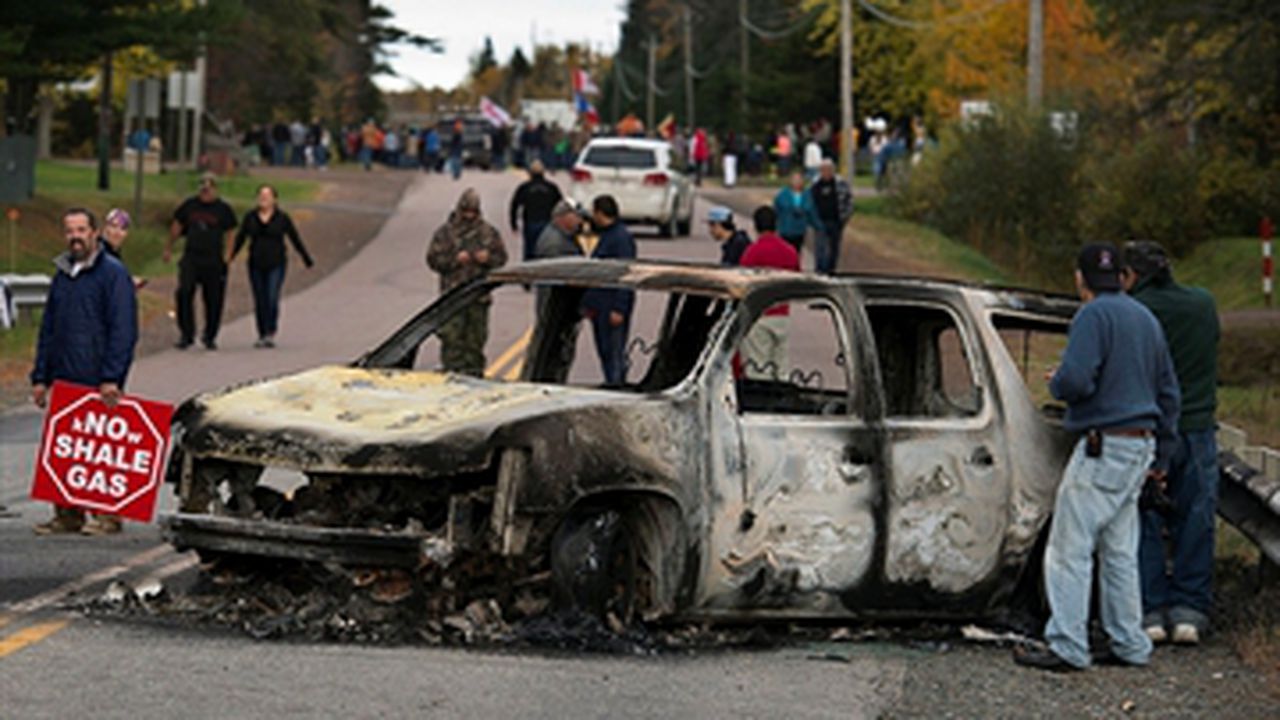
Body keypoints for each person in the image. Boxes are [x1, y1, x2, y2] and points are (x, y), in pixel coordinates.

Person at [1014, 243, 1180, 673]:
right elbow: (1168, 393)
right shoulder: (1145, 318)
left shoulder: (1091, 315)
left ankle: (1068, 644)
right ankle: (1129, 643)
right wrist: (1161, 457)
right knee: (1119, 550)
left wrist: (1057, 382)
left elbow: (1076, 381)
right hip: (1140, 446)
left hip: (1103, 445)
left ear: (1079, 278)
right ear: (1122, 276)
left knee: (1069, 549)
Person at [1121, 241, 1221, 646]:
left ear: (1131, 276)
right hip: (1198, 427)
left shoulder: (1134, 311)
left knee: (1144, 518)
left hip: (1148, 430)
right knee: (1196, 518)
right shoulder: (1203, 304)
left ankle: (1150, 611)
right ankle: (1190, 610)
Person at [31, 208, 138, 535]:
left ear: (95, 233)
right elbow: (49, 328)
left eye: (81, 230)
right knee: (66, 447)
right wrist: (40, 377)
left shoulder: (112, 274)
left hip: (97, 374)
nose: (75, 237)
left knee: (101, 448)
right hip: (64, 373)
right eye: (69, 231)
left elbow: (123, 329)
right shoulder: (63, 274)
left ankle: (108, 515)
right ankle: (67, 514)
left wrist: (112, 376)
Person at [426, 189, 508, 376]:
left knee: (475, 341)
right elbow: (433, 260)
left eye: (473, 211)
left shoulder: (488, 232)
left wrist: (487, 258)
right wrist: (455, 260)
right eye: (466, 211)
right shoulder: (445, 233)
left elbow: (501, 258)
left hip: (478, 298)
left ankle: (474, 375)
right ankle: (452, 372)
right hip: (453, 296)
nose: (469, 215)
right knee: (452, 340)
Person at [230, 185, 314, 348]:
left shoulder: (282, 218)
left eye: (267, 196)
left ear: (274, 199)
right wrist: (230, 256)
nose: (264, 199)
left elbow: (294, 238)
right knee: (260, 298)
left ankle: (271, 330)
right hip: (256, 263)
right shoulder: (250, 217)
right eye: (261, 195)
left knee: (271, 295)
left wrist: (305, 257)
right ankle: (262, 333)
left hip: (276, 263)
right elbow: (241, 238)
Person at [165, 172, 237, 350]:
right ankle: (186, 333)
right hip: (192, 257)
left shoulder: (223, 209)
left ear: (215, 189)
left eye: (209, 188)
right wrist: (168, 248)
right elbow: (177, 225)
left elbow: (231, 232)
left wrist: (228, 255)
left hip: (213, 260)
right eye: (203, 187)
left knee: (213, 299)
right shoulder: (190, 206)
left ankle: (210, 335)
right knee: (184, 292)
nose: (205, 191)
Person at [737, 206, 800, 380]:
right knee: (781, 368)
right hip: (782, 315)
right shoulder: (790, 251)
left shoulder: (752, 252)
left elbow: (743, 283)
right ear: (776, 224)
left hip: (759, 316)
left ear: (755, 226)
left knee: (758, 369)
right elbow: (796, 280)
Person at [582, 195, 636, 386]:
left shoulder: (620, 239)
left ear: (600, 213)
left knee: (614, 352)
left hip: (611, 305)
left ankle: (616, 386)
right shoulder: (607, 235)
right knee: (605, 351)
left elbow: (626, 274)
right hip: (600, 305)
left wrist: (619, 308)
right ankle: (611, 381)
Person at [509, 160, 562, 262]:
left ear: (530, 173)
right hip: (547, 223)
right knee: (547, 249)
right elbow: (560, 205)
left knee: (530, 251)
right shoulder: (551, 188)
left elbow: (515, 205)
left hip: (530, 222)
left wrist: (513, 224)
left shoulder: (524, 188)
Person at [809, 159, 853, 274]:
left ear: (833, 170)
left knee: (834, 248)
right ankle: (820, 270)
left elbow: (849, 201)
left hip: (836, 221)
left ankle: (831, 270)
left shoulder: (841, 184)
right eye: (823, 170)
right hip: (820, 221)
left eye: (829, 170)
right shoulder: (815, 185)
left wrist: (844, 217)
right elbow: (810, 202)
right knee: (820, 247)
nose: (826, 172)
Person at [774, 171, 821, 257]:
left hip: (800, 231)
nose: (797, 182)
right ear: (790, 181)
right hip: (785, 231)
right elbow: (776, 211)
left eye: (799, 179)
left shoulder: (807, 195)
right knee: (784, 254)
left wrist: (819, 226)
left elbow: (812, 212)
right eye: (795, 179)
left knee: (796, 254)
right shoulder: (783, 195)